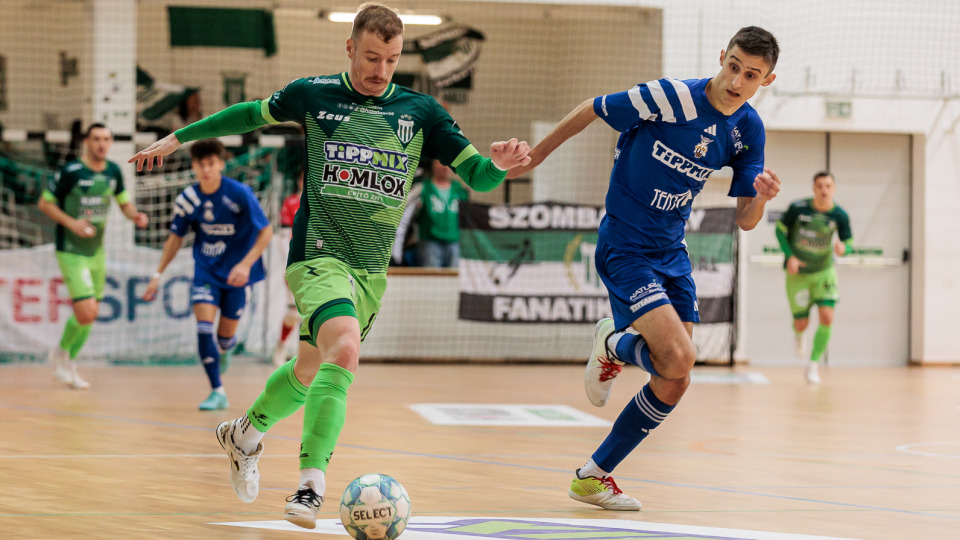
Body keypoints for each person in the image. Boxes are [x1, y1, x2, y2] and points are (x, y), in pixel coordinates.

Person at [130, 2, 530, 529]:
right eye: (370, 57)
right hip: (318, 254)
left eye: (390, 60)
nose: (380, 71)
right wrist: (178, 137)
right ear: (350, 48)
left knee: (310, 368)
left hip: (370, 270)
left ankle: (245, 434)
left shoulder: (421, 112)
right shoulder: (313, 94)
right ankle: (310, 486)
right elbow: (249, 113)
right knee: (345, 346)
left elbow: (476, 175)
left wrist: (498, 163)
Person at [507, 26, 781, 511]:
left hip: (672, 251)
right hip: (625, 245)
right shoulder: (671, 97)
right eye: (733, 65)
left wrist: (758, 197)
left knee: (676, 376)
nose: (737, 80)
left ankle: (592, 476)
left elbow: (745, 221)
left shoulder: (748, 130)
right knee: (679, 357)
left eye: (751, 75)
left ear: (767, 79)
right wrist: (538, 154)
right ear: (723, 56)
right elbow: (594, 107)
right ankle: (612, 341)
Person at [141, 139, 272, 410]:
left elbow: (266, 231)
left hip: (237, 275)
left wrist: (245, 264)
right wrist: (157, 274)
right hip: (207, 272)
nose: (206, 170)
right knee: (203, 330)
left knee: (225, 338)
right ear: (194, 167)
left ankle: (225, 348)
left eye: (211, 163)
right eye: (200, 165)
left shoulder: (240, 194)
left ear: (221, 164)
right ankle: (217, 391)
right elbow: (175, 239)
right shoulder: (188, 199)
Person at [38, 123, 149, 389]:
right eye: (96, 139)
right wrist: (72, 223)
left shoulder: (113, 171)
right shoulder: (72, 172)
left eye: (106, 139)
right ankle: (63, 356)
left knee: (91, 313)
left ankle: (66, 359)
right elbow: (45, 203)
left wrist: (135, 215)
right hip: (71, 250)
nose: (102, 143)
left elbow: (123, 203)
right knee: (86, 310)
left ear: (111, 143)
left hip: (96, 251)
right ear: (87, 142)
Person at [775, 171, 852, 384]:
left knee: (827, 317)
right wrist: (789, 256)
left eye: (828, 186)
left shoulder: (840, 215)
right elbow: (780, 231)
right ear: (813, 188)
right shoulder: (798, 208)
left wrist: (844, 248)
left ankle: (813, 364)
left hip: (824, 272)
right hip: (798, 274)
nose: (824, 190)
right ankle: (799, 334)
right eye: (819, 186)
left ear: (833, 188)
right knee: (801, 323)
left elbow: (849, 242)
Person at [393, 159, 468, 268]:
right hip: (429, 242)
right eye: (441, 163)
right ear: (433, 165)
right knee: (432, 280)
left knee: (453, 281)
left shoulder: (458, 189)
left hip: (454, 242)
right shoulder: (422, 188)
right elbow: (403, 211)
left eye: (448, 164)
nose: (445, 167)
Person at [273, 173, 303, 367]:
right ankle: (281, 346)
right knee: (294, 312)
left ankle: (305, 354)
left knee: (311, 312)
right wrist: (289, 263)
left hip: (317, 264)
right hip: (295, 263)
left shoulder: (323, 202)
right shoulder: (291, 202)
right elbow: (284, 236)